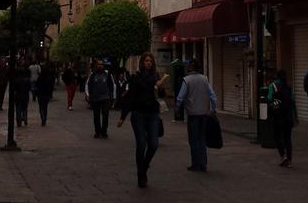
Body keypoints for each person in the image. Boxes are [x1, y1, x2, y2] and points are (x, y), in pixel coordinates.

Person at [118, 52, 166, 188]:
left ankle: (144, 167)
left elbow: (161, 95)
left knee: (154, 144)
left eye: (150, 61)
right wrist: (123, 116)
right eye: (146, 61)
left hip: (152, 114)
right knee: (141, 144)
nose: (148, 63)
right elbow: (130, 97)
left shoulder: (156, 77)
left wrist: (161, 88)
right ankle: (141, 174)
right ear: (142, 63)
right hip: (138, 114)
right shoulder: (136, 77)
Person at [176, 59, 217, 173]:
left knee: (193, 140)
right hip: (204, 114)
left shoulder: (187, 80)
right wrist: (213, 109)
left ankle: (195, 164)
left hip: (193, 114)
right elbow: (213, 96)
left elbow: (180, 97)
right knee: (202, 139)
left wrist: (177, 109)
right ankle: (203, 164)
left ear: (190, 68)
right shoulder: (205, 79)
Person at [268, 69, 298, 167]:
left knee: (277, 137)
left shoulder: (273, 86)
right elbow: (293, 102)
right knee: (287, 138)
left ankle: (283, 156)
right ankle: (289, 160)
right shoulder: (289, 87)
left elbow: (269, 99)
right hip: (288, 116)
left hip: (278, 116)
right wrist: (295, 117)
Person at [86, 59, 114, 138]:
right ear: (96, 65)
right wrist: (88, 95)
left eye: (101, 64)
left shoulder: (107, 74)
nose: (100, 66)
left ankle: (104, 131)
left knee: (105, 114)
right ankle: (97, 132)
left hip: (105, 98)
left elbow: (112, 86)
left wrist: (112, 97)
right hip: (95, 99)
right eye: (99, 64)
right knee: (96, 116)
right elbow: (88, 85)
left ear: (103, 66)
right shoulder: (92, 74)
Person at [14, 58, 31, 126]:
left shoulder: (16, 80)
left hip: (18, 95)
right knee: (24, 108)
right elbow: (29, 88)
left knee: (18, 108)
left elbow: (14, 88)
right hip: (25, 95)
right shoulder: (27, 80)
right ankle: (25, 118)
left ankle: (19, 121)